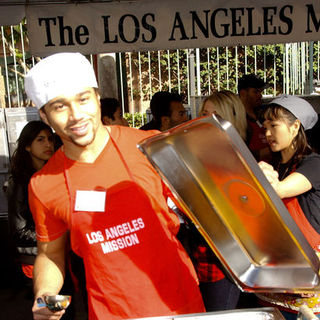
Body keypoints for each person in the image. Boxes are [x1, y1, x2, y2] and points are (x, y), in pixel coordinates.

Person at [25, 52, 205, 320]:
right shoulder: (43, 184)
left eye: (83, 99)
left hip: (179, 303)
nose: (76, 116)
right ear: (45, 115)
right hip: (111, 312)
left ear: (97, 99)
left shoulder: (150, 146)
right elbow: (50, 254)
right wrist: (45, 294)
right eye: (60, 107)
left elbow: (207, 201)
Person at [257, 95, 320, 319]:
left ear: (295, 127)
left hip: (308, 287)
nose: (267, 133)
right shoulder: (274, 165)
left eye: (274, 125)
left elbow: (280, 191)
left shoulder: (313, 164)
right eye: (265, 126)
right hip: (276, 281)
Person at [7, 121, 54, 285]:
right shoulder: (19, 182)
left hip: (59, 256)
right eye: (40, 140)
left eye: (50, 138)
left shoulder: (54, 176)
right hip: (36, 261)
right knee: (49, 307)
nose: (48, 144)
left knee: (66, 307)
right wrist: (56, 236)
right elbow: (18, 230)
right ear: (27, 146)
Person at [238, 74, 270, 160]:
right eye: (255, 92)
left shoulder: (263, 114)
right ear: (243, 93)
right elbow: (240, 156)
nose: (260, 96)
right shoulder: (238, 120)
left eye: (260, 92)